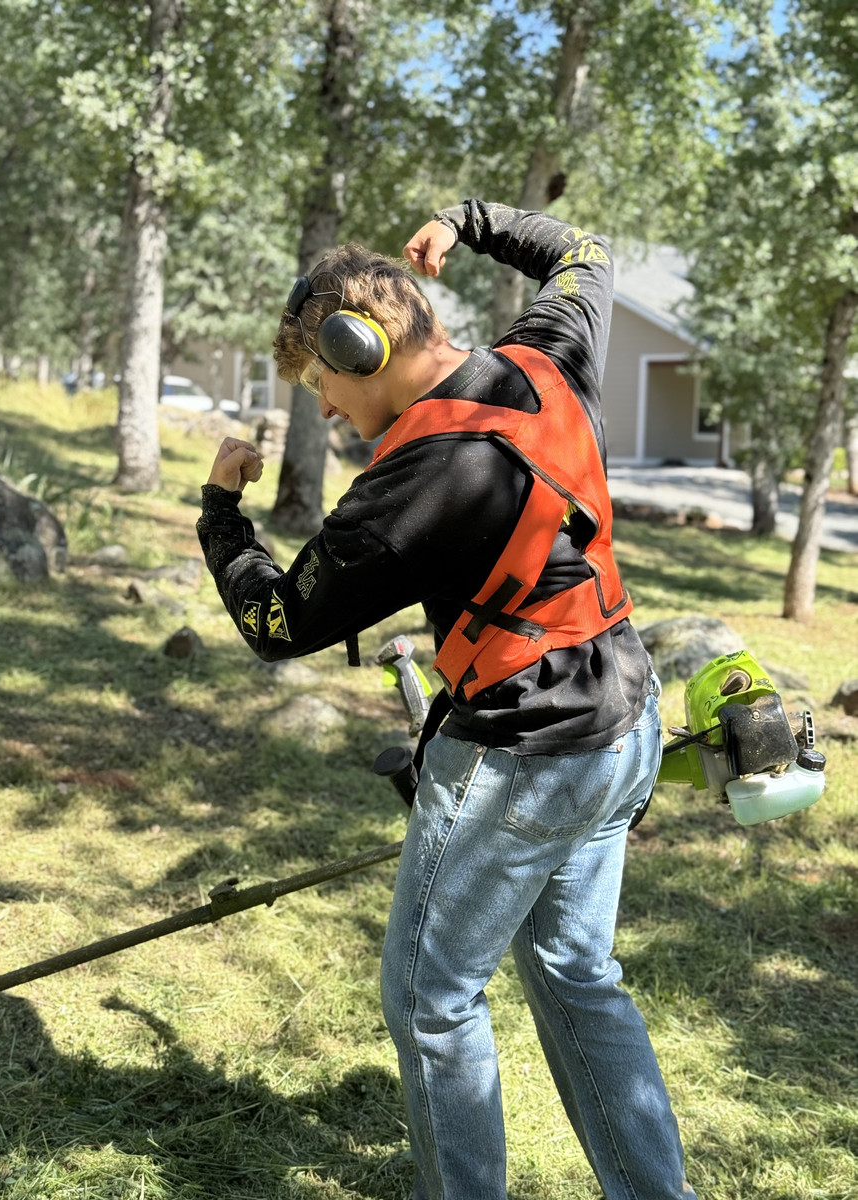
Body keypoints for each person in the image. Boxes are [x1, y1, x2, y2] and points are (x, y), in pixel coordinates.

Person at [196, 199, 695, 1200]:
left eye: (323, 382)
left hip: (523, 759)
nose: (325, 410)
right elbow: (581, 252)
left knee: (431, 1003)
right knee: (578, 975)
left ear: (362, 345)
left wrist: (222, 515)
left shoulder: (409, 484)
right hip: (624, 722)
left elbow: (277, 623)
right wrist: (469, 220)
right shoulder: (545, 359)